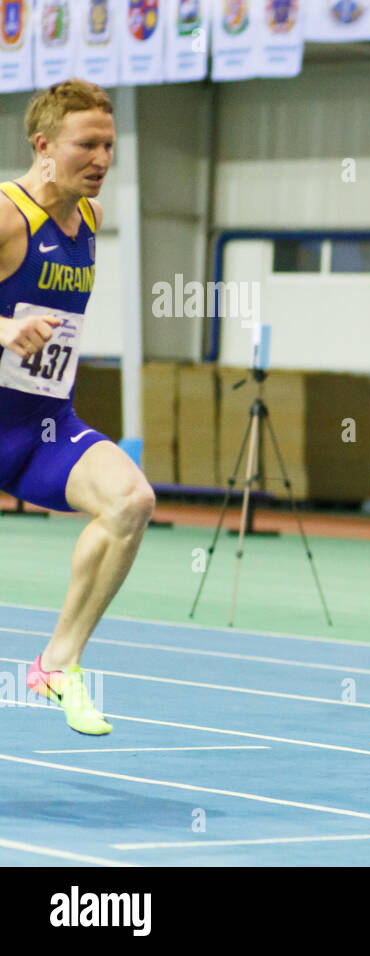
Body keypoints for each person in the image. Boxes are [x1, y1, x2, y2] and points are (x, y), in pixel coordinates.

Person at [0, 80, 155, 735]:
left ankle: (58, 663)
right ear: (43, 146)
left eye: (109, 145)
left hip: (42, 428)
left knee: (132, 502)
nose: (101, 159)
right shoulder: (9, 217)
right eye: (86, 145)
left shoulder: (86, 220)